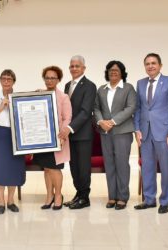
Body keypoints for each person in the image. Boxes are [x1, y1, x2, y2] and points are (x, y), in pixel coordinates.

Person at [134, 53, 168, 214]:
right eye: (147, 64)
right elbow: (138, 109)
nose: (150, 66)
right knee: (147, 167)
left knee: (166, 167)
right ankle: (149, 199)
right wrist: (137, 130)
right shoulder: (140, 83)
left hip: (164, 132)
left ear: (160, 65)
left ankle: (165, 200)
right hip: (145, 133)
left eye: (153, 63)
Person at [94, 60, 136, 210]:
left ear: (122, 73)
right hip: (105, 132)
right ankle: (112, 196)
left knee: (122, 164)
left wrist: (111, 121)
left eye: (116, 70)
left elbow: (131, 107)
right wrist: (100, 121)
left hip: (122, 132)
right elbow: (96, 108)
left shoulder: (128, 88)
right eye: (110, 70)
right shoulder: (101, 89)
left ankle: (122, 197)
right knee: (109, 164)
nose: (113, 72)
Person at [0, 69, 26, 215]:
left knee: (13, 168)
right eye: (4, 78)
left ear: (14, 81)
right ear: (0, 80)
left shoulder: (20, 97)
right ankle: (1, 202)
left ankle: (11, 201)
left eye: (9, 79)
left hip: (15, 135)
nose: (6, 81)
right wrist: (1, 107)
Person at [59, 55, 97, 209]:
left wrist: (68, 128)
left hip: (82, 134)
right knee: (74, 167)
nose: (74, 69)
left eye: (77, 66)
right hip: (70, 135)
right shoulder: (68, 85)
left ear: (84, 68)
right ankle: (78, 194)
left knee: (83, 167)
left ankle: (85, 198)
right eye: (71, 66)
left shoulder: (90, 86)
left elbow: (85, 112)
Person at [34, 66, 72, 211]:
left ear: (58, 80)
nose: (49, 80)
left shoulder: (63, 97)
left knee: (55, 169)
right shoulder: (39, 94)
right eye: (47, 77)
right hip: (42, 139)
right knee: (47, 169)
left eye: (53, 78)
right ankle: (49, 196)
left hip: (57, 139)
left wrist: (62, 136)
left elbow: (67, 118)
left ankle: (58, 196)